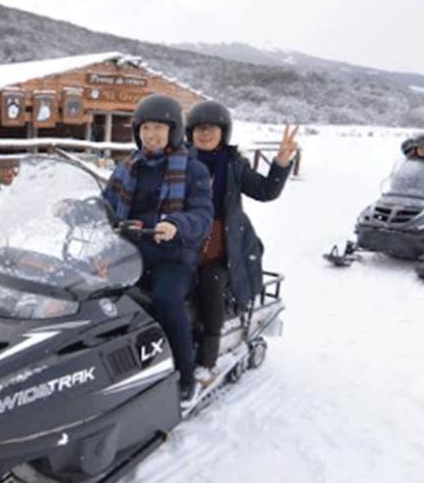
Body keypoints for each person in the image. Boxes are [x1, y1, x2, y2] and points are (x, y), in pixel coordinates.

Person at [103, 94, 214, 406]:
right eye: (145, 128)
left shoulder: (194, 171)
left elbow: (202, 216)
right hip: (128, 252)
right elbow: (106, 204)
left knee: (166, 300)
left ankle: (185, 372)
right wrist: (73, 209)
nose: (150, 135)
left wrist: (176, 224)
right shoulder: (128, 168)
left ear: (174, 131)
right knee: (94, 294)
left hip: (173, 256)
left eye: (158, 128)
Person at [186, 101, 298, 384]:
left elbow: (265, 191)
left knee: (211, 288)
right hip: (184, 241)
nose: (205, 134)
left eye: (211, 129)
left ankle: (207, 361)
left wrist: (281, 162)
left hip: (222, 249)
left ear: (224, 132)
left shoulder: (234, 165)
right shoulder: (180, 160)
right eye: (199, 129)